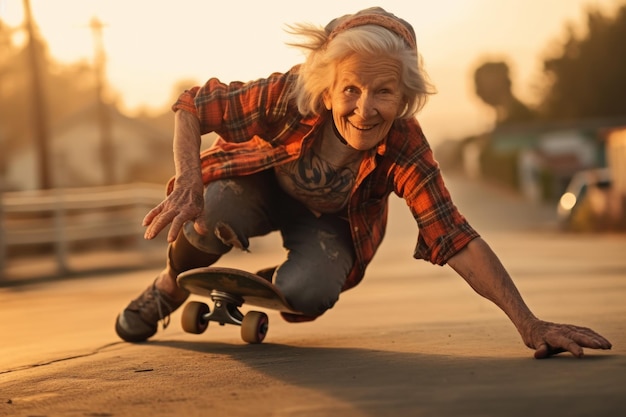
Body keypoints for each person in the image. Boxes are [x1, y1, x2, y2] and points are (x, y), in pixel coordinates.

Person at [115, 7, 612, 359]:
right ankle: (166, 288)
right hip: (257, 186)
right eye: (350, 89)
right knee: (212, 207)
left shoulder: (405, 147)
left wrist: (530, 324)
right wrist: (189, 181)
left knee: (309, 291)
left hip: (333, 226)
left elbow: (454, 237)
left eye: (385, 92)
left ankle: (269, 283)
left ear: (407, 98)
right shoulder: (288, 96)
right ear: (327, 89)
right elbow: (195, 105)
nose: (365, 107)